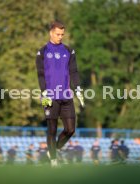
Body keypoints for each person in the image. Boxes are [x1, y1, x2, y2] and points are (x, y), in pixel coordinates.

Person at [35, 21, 84, 167]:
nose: (60, 37)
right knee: (52, 129)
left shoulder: (69, 51)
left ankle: (54, 149)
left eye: (62, 34)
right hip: (50, 97)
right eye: (58, 34)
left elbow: (74, 72)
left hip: (66, 96)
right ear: (51, 33)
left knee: (70, 129)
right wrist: (44, 94)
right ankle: (53, 161)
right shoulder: (42, 52)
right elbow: (40, 75)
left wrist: (78, 90)